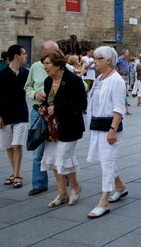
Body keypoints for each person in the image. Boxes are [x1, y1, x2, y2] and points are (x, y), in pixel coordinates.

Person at [40, 49, 87, 208]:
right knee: (53, 159)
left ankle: (75, 187)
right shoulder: (48, 82)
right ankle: (62, 193)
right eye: (43, 64)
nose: (45, 67)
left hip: (70, 126)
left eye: (47, 63)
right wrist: (43, 107)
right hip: (52, 127)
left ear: (58, 64)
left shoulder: (73, 80)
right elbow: (49, 102)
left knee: (63, 156)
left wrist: (58, 109)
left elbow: (82, 104)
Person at [86, 46, 128, 219]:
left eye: (98, 58)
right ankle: (120, 187)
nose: (94, 61)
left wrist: (113, 130)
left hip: (109, 127)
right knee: (105, 160)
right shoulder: (100, 78)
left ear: (109, 60)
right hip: (97, 125)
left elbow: (119, 108)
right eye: (94, 58)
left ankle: (103, 201)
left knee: (107, 162)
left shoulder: (116, 80)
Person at [24, 40, 70, 196]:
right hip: (39, 111)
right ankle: (39, 183)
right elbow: (27, 86)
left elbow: (80, 86)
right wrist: (34, 94)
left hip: (58, 114)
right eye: (49, 54)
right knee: (38, 149)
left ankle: (65, 177)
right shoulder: (36, 67)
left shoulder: (66, 68)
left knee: (61, 148)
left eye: (55, 53)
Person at [0, 44, 29, 189]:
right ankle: (14, 173)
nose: (26, 56)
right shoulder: (2, 74)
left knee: (17, 145)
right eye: (24, 53)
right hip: (5, 115)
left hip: (21, 114)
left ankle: (17, 175)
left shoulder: (26, 73)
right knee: (9, 146)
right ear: (16, 56)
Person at [116, 49, 131, 115]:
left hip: (126, 75)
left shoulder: (125, 59)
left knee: (126, 91)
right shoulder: (120, 59)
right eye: (127, 52)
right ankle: (125, 108)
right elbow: (114, 64)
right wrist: (118, 71)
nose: (128, 54)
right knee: (123, 91)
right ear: (124, 53)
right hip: (122, 76)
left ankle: (126, 107)